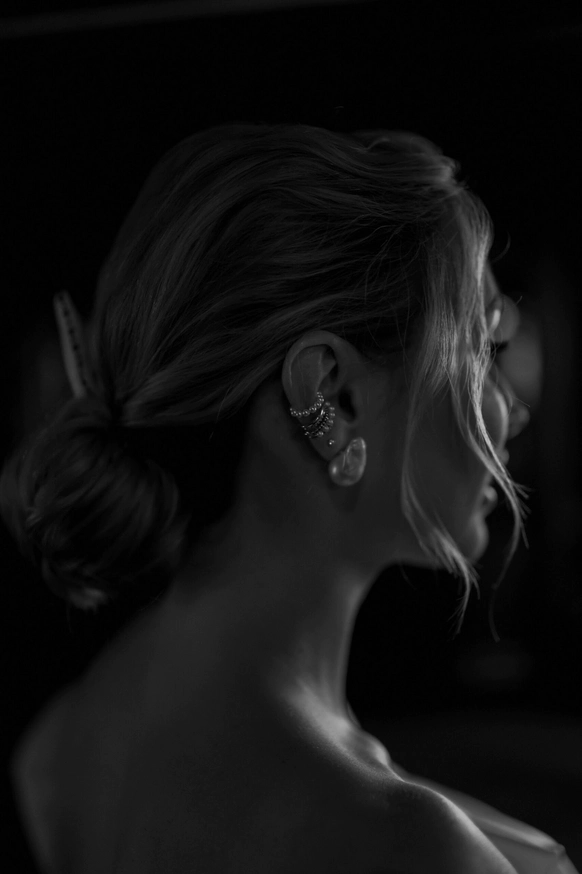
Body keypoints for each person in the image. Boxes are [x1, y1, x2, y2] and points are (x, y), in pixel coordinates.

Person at [2, 123, 577, 873]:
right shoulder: (407, 848)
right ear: (330, 398)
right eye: (483, 351)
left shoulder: (61, 743)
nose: (515, 412)